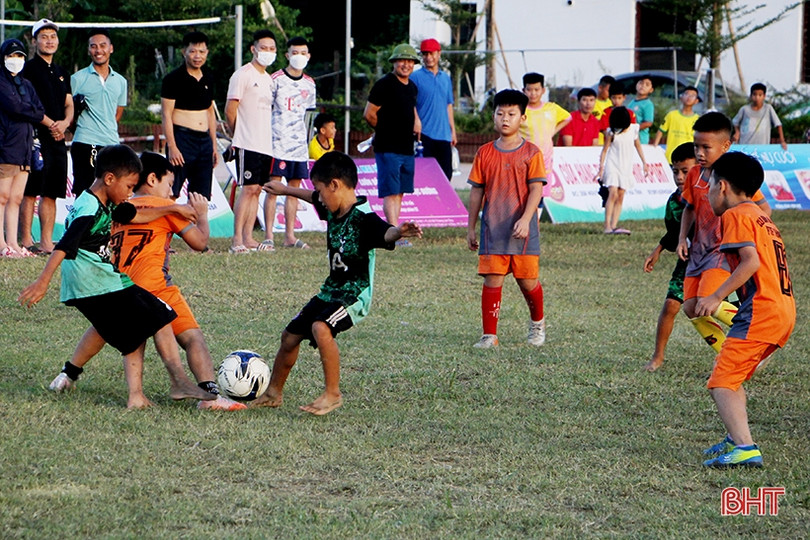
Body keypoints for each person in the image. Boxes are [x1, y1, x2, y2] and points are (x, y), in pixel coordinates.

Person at [18, 145, 215, 409]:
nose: (130, 194)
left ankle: (136, 397)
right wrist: (42, 282)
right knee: (161, 313)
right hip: (95, 280)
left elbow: (134, 215)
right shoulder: (89, 207)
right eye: (129, 187)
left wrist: (173, 210)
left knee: (133, 329)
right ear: (110, 179)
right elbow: (65, 244)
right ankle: (178, 381)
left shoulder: (103, 201)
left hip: (92, 281)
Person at [252, 152, 422, 415]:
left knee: (321, 327)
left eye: (321, 190)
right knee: (289, 336)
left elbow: (385, 232)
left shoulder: (364, 218)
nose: (318, 198)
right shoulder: (333, 207)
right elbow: (312, 197)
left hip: (354, 294)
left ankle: (332, 394)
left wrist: (398, 232)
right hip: (330, 291)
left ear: (334, 185)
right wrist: (285, 190)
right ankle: (274, 393)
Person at [698, 152, 795, 468]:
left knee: (721, 382)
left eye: (709, 186)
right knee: (732, 375)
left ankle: (745, 448)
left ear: (722, 186)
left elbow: (750, 262)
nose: (707, 193)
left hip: (761, 312)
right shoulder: (759, 215)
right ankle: (734, 437)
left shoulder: (735, 215)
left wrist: (716, 296)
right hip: (781, 310)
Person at [676, 112, 771, 353]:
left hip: (721, 251)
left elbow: (763, 208)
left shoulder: (734, 175)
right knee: (691, 308)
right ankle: (728, 355)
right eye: (696, 146)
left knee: (710, 300)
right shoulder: (694, 174)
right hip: (698, 251)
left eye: (706, 147)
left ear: (725, 146)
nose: (699, 153)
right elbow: (689, 208)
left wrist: (750, 236)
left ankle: (756, 337)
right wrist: (682, 239)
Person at [466, 89, 547, 349]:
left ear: (522, 118)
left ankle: (537, 324)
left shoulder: (532, 152)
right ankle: (489, 335)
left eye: (511, 114)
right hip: (493, 230)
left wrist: (525, 219)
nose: (505, 118)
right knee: (492, 279)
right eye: (500, 113)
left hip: (523, 232)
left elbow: (536, 189)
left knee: (527, 281)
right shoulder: (484, 153)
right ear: (493, 116)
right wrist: (471, 227)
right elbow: (476, 191)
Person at [642, 143, 698, 372]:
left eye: (685, 171)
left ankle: (744, 351)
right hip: (687, 263)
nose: (679, 177)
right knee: (671, 305)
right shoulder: (674, 202)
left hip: (716, 262)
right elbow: (674, 234)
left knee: (720, 308)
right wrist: (658, 250)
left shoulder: (711, 195)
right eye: (675, 171)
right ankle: (657, 357)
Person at [19, 19, 74, 256]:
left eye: (53, 36)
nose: (49, 41)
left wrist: (65, 123)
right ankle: (25, 240)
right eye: (44, 37)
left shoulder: (62, 72)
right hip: (35, 137)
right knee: (31, 190)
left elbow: (69, 104)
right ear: (34, 41)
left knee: (51, 192)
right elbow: (26, 104)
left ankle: (46, 242)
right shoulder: (28, 69)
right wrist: (51, 123)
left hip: (58, 138)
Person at [261, 36, 317, 252]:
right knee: (273, 188)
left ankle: (290, 236)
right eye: (295, 53)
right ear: (287, 55)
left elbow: (309, 115)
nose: (299, 57)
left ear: (308, 56)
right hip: (277, 143)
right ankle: (268, 235)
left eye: (303, 53)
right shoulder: (275, 79)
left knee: (294, 189)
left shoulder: (310, 84)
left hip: (299, 147)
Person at [363, 43, 421, 242]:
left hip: (407, 147)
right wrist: (384, 131)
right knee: (391, 190)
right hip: (388, 147)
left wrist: (417, 121)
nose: (406, 64)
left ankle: (397, 230)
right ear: (394, 62)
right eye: (402, 60)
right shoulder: (384, 84)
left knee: (401, 190)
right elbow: (369, 114)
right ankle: (393, 232)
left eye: (410, 61)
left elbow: (411, 108)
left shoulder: (412, 87)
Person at [226, 30, 277, 254]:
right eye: (263, 48)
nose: (268, 52)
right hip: (247, 143)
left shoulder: (269, 80)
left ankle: (248, 237)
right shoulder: (242, 75)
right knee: (247, 189)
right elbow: (230, 110)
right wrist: (238, 135)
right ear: (253, 49)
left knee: (257, 189)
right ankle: (237, 238)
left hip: (265, 144)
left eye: (272, 49)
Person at [0, 38, 46, 259]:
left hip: (25, 148)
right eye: (11, 56)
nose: (15, 60)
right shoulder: (1, 82)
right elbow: (14, 107)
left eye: (19, 56)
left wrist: (27, 110)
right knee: (2, 196)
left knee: (16, 197)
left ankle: (13, 243)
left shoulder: (26, 85)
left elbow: (39, 111)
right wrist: (28, 110)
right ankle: (1, 243)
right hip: (6, 146)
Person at [161, 31, 218, 200]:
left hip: (204, 141)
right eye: (192, 51)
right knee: (172, 191)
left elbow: (210, 112)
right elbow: (166, 114)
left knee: (201, 196)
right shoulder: (172, 79)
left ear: (207, 52)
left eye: (201, 51)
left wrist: (214, 146)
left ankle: (197, 219)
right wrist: (172, 146)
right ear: (184, 52)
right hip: (182, 139)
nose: (197, 56)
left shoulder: (209, 77)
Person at [70, 28, 127, 196]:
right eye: (93, 46)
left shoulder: (121, 81)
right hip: (85, 143)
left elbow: (117, 113)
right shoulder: (77, 79)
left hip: (112, 144)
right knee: (85, 193)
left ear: (111, 48)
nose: (98, 50)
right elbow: (68, 112)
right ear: (89, 50)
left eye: (103, 45)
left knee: (112, 193)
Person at [594, 106, 647, 235]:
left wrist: (644, 162)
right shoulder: (611, 133)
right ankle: (607, 225)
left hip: (626, 166)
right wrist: (601, 168)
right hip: (612, 164)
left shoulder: (633, 129)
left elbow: (638, 145)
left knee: (621, 194)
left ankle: (614, 225)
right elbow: (605, 150)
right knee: (612, 193)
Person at [410, 38, 456, 181]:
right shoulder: (415, 77)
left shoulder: (445, 78)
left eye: (431, 53)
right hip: (424, 134)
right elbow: (410, 103)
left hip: (444, 135)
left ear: (438, 54)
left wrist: (453, 131)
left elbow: (449, 105)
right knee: (425, 176)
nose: (428, 57)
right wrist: (416, 120)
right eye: (425, 54)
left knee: (446, 175)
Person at [519, 72, 571, 177]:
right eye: (529, 90)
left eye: (536, 90)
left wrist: (552, 131)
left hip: (545, 159)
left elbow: (567, 117)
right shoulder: (519, 110)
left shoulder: (551, 108)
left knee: (545, 186)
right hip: (524, 159)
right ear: (523, 91)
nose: (533, 93)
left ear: (543, 90)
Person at [732, 82, 787, 151]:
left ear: (764, 96)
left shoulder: (768, 108)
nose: (757, 97)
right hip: (745, 146)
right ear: (751, 96)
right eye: (754, 95)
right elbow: (735, 122)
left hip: (762, 147)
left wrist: (782, 141)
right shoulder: (744, 109)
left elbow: (778, 125)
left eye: (760, 95)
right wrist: (737, 132)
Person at [652, 86, 700, 163]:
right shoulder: (671, 115)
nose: (689, 97)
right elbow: (661, 131)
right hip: (670, 158)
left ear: (696, 101)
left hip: (688, 160)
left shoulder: (698, 119)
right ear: (681, 97)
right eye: (686, 94)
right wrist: (655, 147)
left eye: (692, 95)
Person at [625, 75, 654, 144]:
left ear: (651, 90)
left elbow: (648, 123)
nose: (643, 86)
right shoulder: (632, 102)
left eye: (647, 85)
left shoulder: (648, 104)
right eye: (641, 83)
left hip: (640, 139)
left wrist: (632, 129)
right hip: (629, 138)